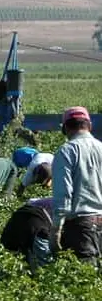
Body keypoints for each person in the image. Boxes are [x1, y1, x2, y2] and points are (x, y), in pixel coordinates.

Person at [51, 106, 102, 265]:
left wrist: (56, 229)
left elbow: (63, 193)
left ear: (65, 128)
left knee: (82, 281)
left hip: (81, 226)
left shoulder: (66, 151)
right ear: (89, 125)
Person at [1, 199, 55, 271]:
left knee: (13, 255)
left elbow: (30, 201)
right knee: (46, 266)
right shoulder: (67, 205)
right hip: (37, 224)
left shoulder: (52, 199)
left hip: (19, 216)